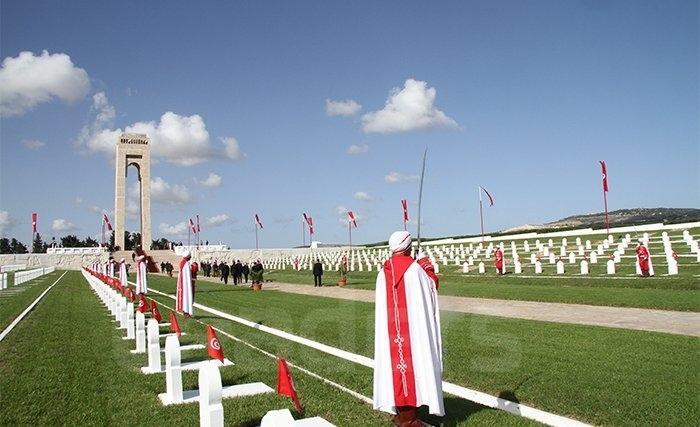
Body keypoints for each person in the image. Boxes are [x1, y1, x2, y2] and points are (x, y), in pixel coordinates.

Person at [374, 231, 443, 425]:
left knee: (397, 367)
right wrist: (425, 264)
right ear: (408, 248)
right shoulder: (415, 270)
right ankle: (409, 419)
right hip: (412, 331)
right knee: (413, 366)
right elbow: (432, 285)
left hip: (393, 331)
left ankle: (401, 412)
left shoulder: (383, 272)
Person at [176, 251, 195, 318]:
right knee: (187, 296)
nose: (190, 257)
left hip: (183, 283)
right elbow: (188, 276)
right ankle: (186, 311)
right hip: (186, 284)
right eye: (190, 256)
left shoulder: (183, 263)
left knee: (185, 297)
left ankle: (185, 311)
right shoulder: (186, 264)